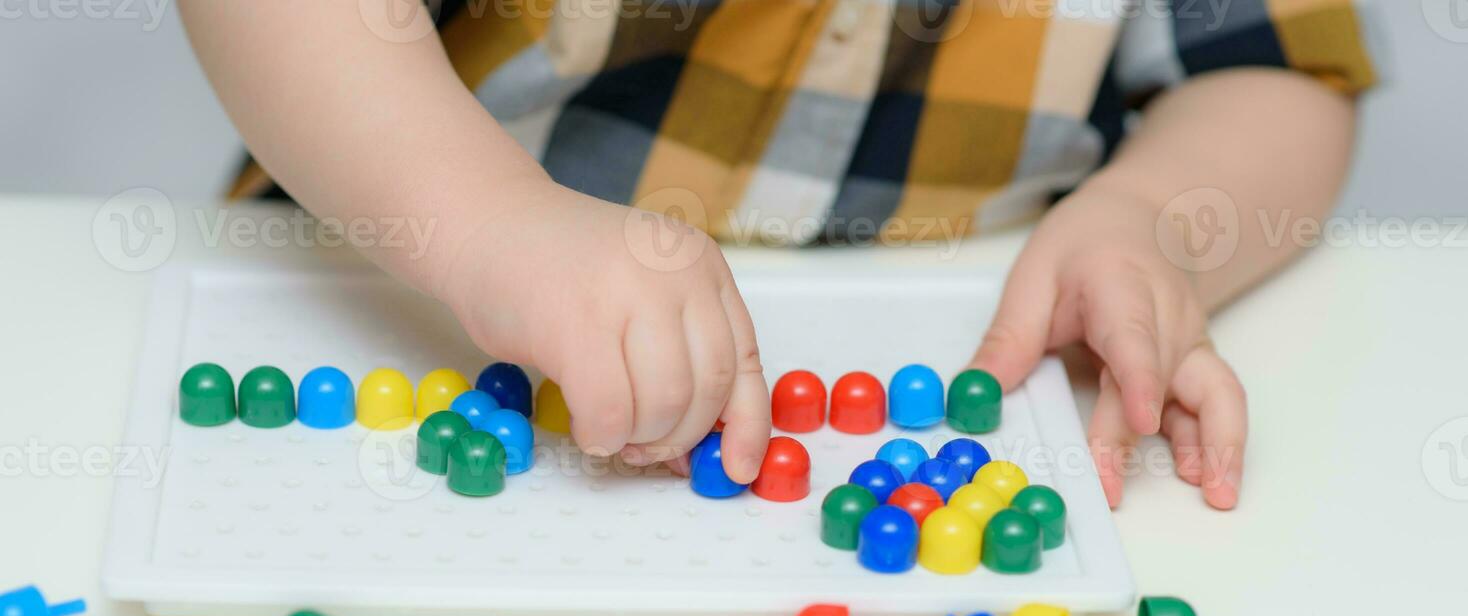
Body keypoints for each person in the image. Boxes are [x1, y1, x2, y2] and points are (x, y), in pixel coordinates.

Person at [181, 0, 1378, 509]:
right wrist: (490, 220)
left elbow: (1274, 69)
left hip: (965, 321)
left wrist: (1153, 221)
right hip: (397, 280)